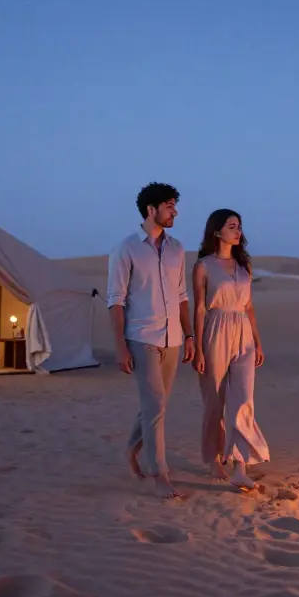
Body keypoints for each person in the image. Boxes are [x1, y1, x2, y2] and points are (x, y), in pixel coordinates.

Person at [105, 182, 195, 500]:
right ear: (151, 209)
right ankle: (160, 474)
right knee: (155, 405)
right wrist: (120, 347)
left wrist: (190, 334)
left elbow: (182, 295)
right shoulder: (125, 249)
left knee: (156, 405)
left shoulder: (177, 249)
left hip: (173, 339)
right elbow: (115, 301)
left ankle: (131, 450)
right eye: (169, 205)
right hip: (141, 337)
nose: (175, 211)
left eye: (175, 205)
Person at [191, 208, 270, 492]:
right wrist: (199, 348)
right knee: (214, 401)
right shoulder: (203, 266)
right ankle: (213, 457)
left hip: (243, 332)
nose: (238, 231)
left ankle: (240, 466)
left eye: (239, 226)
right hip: (215, 328)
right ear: (217, 232)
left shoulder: (242, 266)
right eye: (232, 226)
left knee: (243, 399)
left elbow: (249, 306)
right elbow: (199, 308)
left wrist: (258, 342)